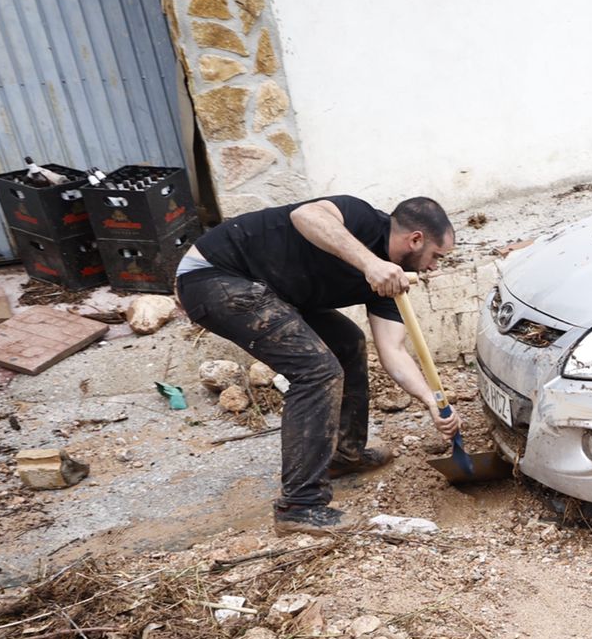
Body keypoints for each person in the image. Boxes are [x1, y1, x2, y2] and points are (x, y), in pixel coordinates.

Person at [175, 195, 461, 534]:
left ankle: (344, 455)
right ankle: (300, 505)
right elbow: (305, 214)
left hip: (270, 291)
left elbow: (393, 351)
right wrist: (369, 263)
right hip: (212, 276)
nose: (433, 268)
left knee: (347, 343)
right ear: (415, 239)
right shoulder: (361, 218)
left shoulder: (390, 282)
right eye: (435, 256)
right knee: (316, 369)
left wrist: (430, 400)